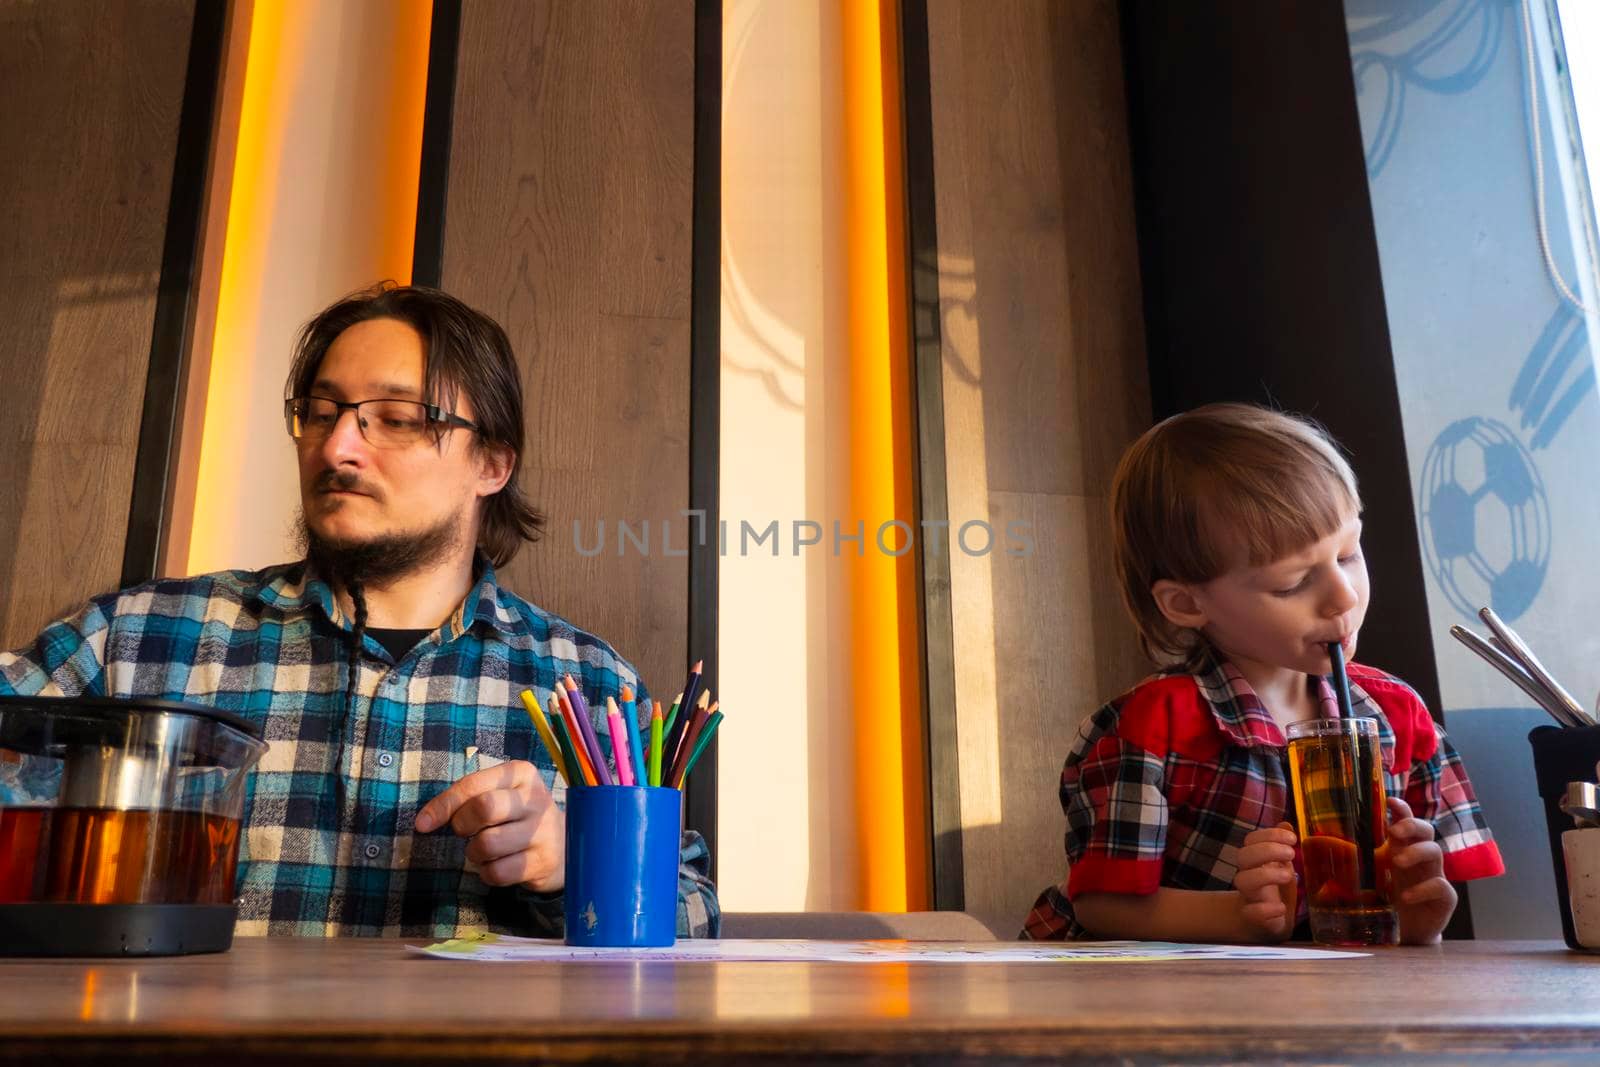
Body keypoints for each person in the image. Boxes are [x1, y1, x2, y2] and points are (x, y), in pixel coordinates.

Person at [0, 282, 719, 938]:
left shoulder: (588, 685)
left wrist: (571, 859)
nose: (337, 446)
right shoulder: (136, 639)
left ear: (491, 465)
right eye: (320, 412)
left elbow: (695, 909)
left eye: (397, 419)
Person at [1021, 403, 1503, 944]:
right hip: (1137, 1001)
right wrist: (1240, 918)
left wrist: (1421, 913)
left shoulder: (1398, 717)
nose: (1343, 595)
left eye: (1347, 554)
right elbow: (1103, 905)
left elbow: (1413, 923)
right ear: (1185, 603)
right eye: (1292, 583)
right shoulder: (1155, 725)